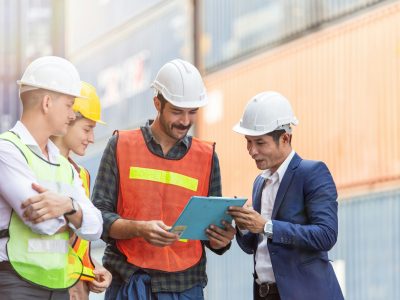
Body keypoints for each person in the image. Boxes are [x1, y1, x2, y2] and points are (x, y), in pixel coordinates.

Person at [93, 59, 236, 300]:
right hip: (130, 281)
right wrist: (139, 228)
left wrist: (222, 240)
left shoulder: (207, 157)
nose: (185, 121)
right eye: (177, 111)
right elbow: (98, 218)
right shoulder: (121, 146)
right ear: (157, 103)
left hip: (185, 286)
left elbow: (212, 236)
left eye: (192, 112)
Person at [0, 56, 103, 300]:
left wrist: (67, 205)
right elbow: (42, 224)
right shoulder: (7, 151)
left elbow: (96, 227)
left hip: (59, 285)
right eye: (69, 105)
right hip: (16, 283)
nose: (71, 115)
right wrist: (77, 217)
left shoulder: (62, 164)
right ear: (47, 102)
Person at [228, 91, 344, 300]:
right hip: (265, 294)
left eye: (260, 143)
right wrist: (244, 225)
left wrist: (266, 226)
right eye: (248, 141)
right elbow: (255, 248)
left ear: (285, 138)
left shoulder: (312, 173)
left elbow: (326, 235)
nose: (252, 150)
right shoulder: (259, 183)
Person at [50, 81, 112, 300]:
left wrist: (92, 266)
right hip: (50, 286)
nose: (92, 138)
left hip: (78, 289)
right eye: (87, 129)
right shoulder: (41, 167)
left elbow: (78, 239)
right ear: (68, 120)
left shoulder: (81, 174)